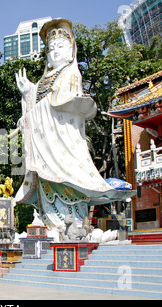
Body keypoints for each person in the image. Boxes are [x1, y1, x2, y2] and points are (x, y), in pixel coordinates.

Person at [14, 18, 135, 228]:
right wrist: (28, 94)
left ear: (71, 51)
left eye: (61, 46)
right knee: (48, 186)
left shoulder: (71, 74)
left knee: (66, 186)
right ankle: (49, 224)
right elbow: (35, 110)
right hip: (45, 152)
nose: (56, 51)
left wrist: (36, 96)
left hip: (63, 148)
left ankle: (74, 227)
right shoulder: (42, 81)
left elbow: (61, 102)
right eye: (51, 49)